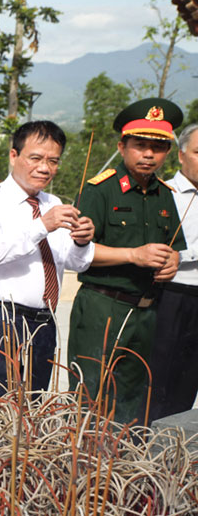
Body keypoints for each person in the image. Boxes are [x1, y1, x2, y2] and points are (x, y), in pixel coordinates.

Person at [69, 98, 184, 425]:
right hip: (103, 308)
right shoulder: (100, 190)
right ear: (122, 146)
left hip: (147, 311)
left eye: (159, 147)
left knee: (133, 399)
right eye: (140, 145)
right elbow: (80, 254)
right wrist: (134, 255)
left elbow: (173, 246)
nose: (149, 154)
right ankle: (86, 470)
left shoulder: (165, 193)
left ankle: (123, 474)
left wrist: (172, 261)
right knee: (91, 396)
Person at [0, 121, 95, 393]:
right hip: (1, 318)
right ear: (14, 156)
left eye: (53, 161)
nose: (44, 168)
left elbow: (75, 263)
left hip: (45, 320)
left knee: (35, 403)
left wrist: (82, 241)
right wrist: (42, 226)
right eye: (36, 158)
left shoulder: (54, 203)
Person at [148, 123, 198, 421]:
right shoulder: (163, 194)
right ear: (181, 155)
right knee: (157, 379)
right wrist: (182, 253)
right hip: (170, 295)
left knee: (188, 382)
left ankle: (174, 457)